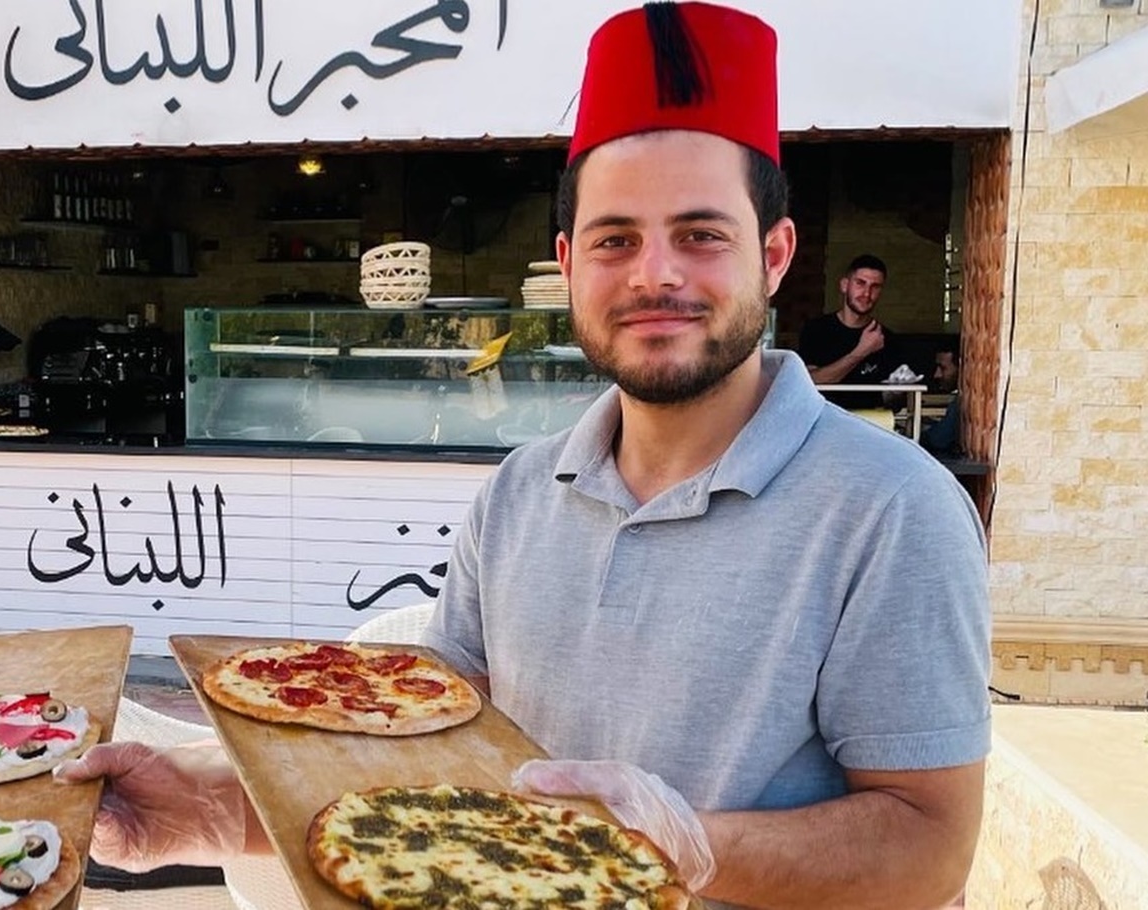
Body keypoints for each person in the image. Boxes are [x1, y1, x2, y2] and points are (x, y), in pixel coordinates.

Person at [56, 4, 991, 909]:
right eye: (615, 239)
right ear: (568, 262)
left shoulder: (890, 507)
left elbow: (930, 848)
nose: (655, 273)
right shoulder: (518, 490)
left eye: (701, 235)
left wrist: (692, 847)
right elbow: (425, 761)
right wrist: (218, 810)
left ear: (774, 254)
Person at [798, 254, 906, 409]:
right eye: (860, 283)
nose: (867, 293)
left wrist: (898, 391)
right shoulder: (816, 330)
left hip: (870, 421)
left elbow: (892, 404)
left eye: (875, 286)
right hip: (825, 420)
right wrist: (861, 352)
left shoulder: (886, 338)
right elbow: (811, 381)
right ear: (844, 285)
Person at [921, 344, 963, 456]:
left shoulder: (962, 402)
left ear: (961, 368)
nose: (937, 375)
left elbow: (938, 440)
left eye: (943, 368)